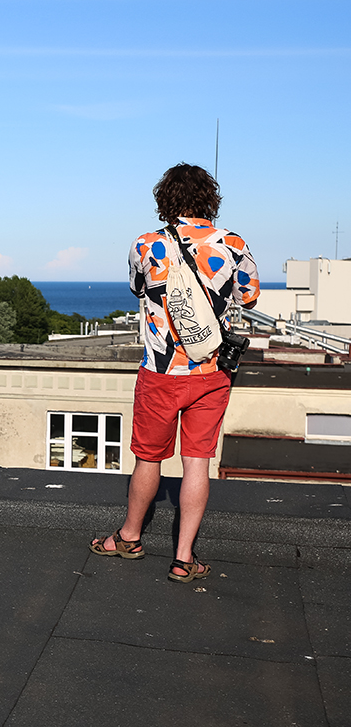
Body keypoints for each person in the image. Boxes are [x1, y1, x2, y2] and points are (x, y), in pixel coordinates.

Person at [90, 164, 258, 582]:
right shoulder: (233, 243)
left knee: (149, 457)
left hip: (160, 372)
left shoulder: (146, 245)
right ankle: (184, 558)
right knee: (197, 462)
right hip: (211, 371)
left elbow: (138, 288)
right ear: (210, 199)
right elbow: (250, 298)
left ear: (164, 200)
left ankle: (129, 537)